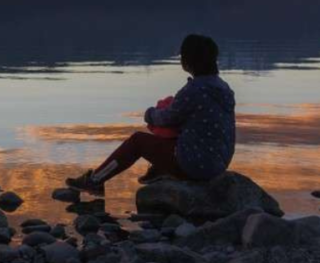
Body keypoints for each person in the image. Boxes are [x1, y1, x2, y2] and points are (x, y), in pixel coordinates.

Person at [66, 34, 236, 196]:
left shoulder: (194, 90)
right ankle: (159, 170)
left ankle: (95, 180)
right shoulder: (224, 88)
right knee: (183, 129)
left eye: (183, 55)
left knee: (138, 141)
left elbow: (167, 118)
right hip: (218, 164)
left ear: (190, 61)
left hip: (196, 166)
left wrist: (150, 114)